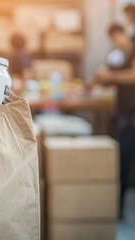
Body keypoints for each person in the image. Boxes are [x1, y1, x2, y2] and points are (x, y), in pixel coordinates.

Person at [89, 23, 135, 219]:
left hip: (131, 115)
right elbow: (114, 71)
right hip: (123, 112)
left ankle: (118, 210)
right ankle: (116, 208)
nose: (117, 42)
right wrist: (101, 77)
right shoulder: (122, 55)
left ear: (124, 33)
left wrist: (109, 75)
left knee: (124, 161)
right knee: (121, 161)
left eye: (118, 37)